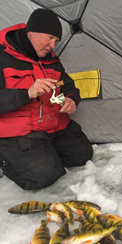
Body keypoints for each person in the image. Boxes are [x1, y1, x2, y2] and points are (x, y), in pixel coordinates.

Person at [0, 8, 93, 190]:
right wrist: (27, 93)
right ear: (31, 32)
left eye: (56, 41)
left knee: (82, 155)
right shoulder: (3, 56)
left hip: (53, 125)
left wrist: (71, 99)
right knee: (44, 177)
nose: (52, 46)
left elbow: (69, 86)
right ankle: (5, 157)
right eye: (49, 38)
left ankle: (42, 155)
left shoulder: (51, 59)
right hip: (20, 131)